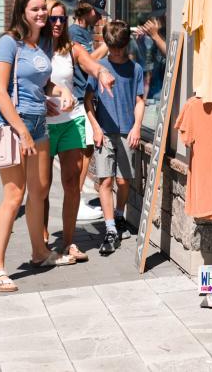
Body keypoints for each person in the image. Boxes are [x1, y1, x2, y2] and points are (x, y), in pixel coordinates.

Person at [0, 0, 115, 293]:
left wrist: (61, 92)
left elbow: (43, 83)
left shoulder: (41, 43)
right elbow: (0, 91)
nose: (42, 14)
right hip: (13, 125)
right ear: (22, 12)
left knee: (40, 190)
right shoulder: (9, 42)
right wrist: (21, 130)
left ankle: (39, 252)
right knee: (13, 195)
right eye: (36, 10)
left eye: (43, 9)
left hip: (38, 123)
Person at [42, 0, 114, 261]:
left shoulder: (70, 47)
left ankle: (69, 242)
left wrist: (101, 73)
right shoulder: (32, 49)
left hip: (71, 122)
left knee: (72, 183)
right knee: (42, 186)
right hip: (42, 126)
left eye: (62, 18)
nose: (59, 23)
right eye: (53, 18)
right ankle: (43, 242)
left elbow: (89, 62)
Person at [85, 20, 145, 256]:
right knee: (105, 181)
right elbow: (87, 100)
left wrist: (137, 127)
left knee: (123, 181)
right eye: (113, 47)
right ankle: (110, 228)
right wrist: (96, 127)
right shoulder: (99, 67)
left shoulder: (135, 69)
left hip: (127, 131)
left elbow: (140, 101)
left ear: (126, 44)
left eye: (120, 47)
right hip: (105, 132)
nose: (117, 52)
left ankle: (119, 216)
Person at [70, 0, 109, 220]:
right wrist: (106, 45)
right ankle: (76, 201)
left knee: (87, 150)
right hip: (78, 98)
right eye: (98, 13)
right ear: (88, 10)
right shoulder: (75, 33)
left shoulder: (83, 32)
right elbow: (88, 62)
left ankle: (77, 198)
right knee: (84, 150)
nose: (99, 18)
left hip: (83, 96)